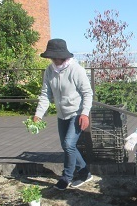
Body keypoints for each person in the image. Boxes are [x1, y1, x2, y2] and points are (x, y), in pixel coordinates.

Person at [34, 39, 94, 190]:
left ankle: (66, 177)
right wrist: (39, 114)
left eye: (56, 57)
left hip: (77, 113)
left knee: (68, 144)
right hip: (62, 114)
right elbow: (45, 94)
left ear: (64, 56)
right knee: (67, 146)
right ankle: (85, 172)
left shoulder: (75, 70)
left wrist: (85, 114)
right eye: (52, 57)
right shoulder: (49, 71)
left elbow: (87, 93)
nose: (54, 60)